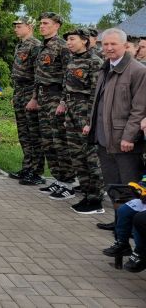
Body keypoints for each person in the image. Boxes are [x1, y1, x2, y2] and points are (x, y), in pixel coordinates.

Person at [86, 28, 146, 226]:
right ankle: (118, 223)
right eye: (106, 44)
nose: (109, 48)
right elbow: (98, 102)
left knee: (129, 187)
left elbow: (139, 109)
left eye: (114, 44)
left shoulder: (138, 71)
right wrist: (91, 125)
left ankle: (128, 231)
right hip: (104, 139)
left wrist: (129, 136)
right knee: (112, 185)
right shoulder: (105, 68)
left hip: (125, 142)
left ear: (125, 45)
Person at [26, 12, 74, 196]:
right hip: (43, 97)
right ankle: (58, 179)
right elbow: (37, 77)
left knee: (59, 142)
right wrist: (34, 97)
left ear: (57, 25)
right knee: (48, 142)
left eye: (46, 23)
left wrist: (63, 101)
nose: (42, 26)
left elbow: (68, 77)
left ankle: (68, 183)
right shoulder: (41, 48)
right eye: (41, 23)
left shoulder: (62, 47)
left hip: (56, 97)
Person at [57, 28, 104, 211]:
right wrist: (62, 103)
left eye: (72, 39)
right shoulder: (72, 60)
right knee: (77, 156)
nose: (68, 43)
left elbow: (96, 93)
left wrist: (90, 121)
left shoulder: (95, 62)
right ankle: (86, 194)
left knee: (90, 158)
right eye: (67, 40)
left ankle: (96, 199)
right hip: (71, 112)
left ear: (84, 41)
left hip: (85, 113)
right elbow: (66, 86)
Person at [9, 16, 44, 185]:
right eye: (15, 26)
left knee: (33, 134)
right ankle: (27, 167)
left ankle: (36, 172)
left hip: (30, 92)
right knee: (23, 133)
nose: (15, 28)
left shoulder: (36, 45)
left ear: (29, 27)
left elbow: (38, 74)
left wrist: (35, 97)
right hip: (20, 91)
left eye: (19, 26)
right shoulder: (20, 45)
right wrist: (15, 95)